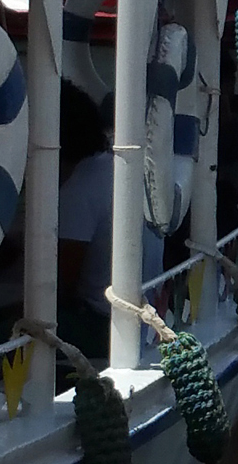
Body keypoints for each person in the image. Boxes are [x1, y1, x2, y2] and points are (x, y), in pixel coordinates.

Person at [54, 84, 161, 356]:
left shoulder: (78, 189)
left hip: (102, 328)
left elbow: (58, 288)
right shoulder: (116, 171)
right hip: (144, 323)